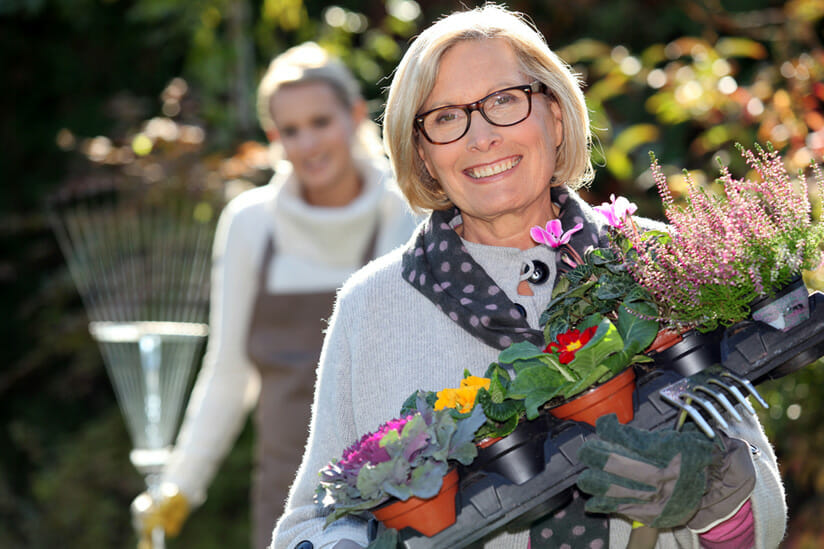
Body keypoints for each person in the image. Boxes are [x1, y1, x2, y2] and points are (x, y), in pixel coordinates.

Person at [272, 5, 787, 549]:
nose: (482, 137)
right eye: (446, 117)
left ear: (556, 115)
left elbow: (763, 515)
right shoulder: (372, 308)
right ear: (422, 154)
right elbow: (314, 519)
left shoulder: (661, 265)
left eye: (504, 102)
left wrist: (712, 503)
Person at [130, 42, 419, 549]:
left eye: (320, 122)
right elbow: (228, 372)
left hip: (401, 493)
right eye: (290, 130)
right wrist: (181, 485)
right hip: (286, 497)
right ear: (273, 138)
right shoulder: (250, 224)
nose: (307, 144)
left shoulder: (405, 213)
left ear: (354, 116)